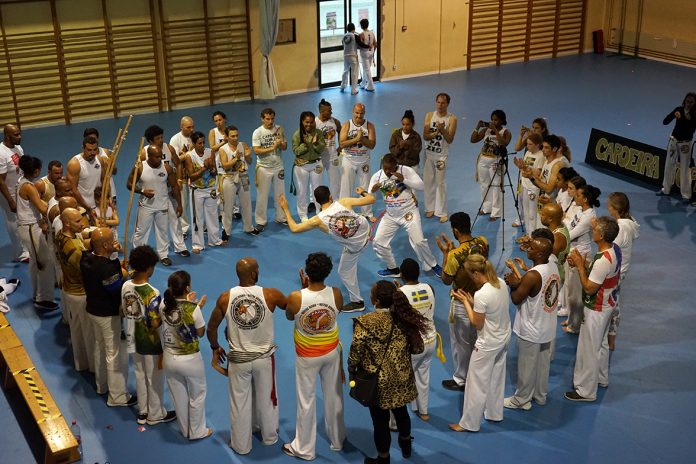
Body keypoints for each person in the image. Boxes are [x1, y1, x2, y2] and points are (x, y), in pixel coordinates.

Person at [206, 257, 287, 455]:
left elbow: (211, 327)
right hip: (263, 360)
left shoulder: (225, 298)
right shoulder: (271, 294)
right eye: (257, 269)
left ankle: (241, 445)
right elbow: (291, 307)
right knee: (267, 399)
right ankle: (269, 437)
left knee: (239, 404)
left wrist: (215, 347)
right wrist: (304, 290)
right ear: (253, 273)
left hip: (238, 361)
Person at [348, 280, 428, 464]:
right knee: (401, 413)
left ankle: (383, 459)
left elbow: (356, 352)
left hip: (378, 384)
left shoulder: (365, 322)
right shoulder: (404, 318)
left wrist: (352, 369)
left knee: (380, 422)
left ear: (375, 301)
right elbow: (418, 348)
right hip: (401, 377)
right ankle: (406, 444)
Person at [281, 252, 345, 460]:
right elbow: (335, 313)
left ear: (307, 273)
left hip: (307, 356)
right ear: (328, 272)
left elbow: (291, 316)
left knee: (306, 400)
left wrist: (302, 291)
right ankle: (338, 440)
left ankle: (304, 449)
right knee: (334, 396)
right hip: (331, 352)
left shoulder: (295, 297)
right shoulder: (336, 293)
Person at [278, 186, 375, 312]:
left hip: (355, 247)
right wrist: (362, 191)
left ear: (317, 202)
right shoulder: (344, 202)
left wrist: (285, 208)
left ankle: (357, 302)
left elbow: (294, 228)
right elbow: (371, 199)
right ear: (330, 196)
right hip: (367, 232)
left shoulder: (317, 220)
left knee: (344, 272)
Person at [448, 254, 511, 432]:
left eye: (470, 275)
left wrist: (465, 303)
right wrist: (472, 301)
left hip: (487, 344)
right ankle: (494, 413)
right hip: (503, 338)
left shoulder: (482, 293)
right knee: (496, 378)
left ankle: (468, 423)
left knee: (475, 384)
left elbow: (477, 322)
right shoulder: (500, 283)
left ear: (476, 273)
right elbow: (492, 309)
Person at [565, 216, 621, 402]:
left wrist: (580, 266)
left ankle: (585, 391)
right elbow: (602, 275)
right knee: (602, 344)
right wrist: (585, 264)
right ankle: (601, 378)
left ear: (602, 235)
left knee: (588, 349)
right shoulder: (615, 251)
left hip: (596, 309)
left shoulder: (602, 260)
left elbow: (589, 287)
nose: (593, 231)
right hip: (608, 305)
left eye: (595, 230)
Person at [503, 234, 560, 410]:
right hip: (548, 326)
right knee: (543, 366)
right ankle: (540, 395)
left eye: (532, 248)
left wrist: (512, 284)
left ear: (541, 254)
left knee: (527, 367)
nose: (529, 249)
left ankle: (521, 400)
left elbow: (516, 299)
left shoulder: (533, 276)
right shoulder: (553, 265)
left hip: (532, 327)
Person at [121, 245, 176, 426]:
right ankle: (156, 413)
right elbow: (154, 322)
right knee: (155, 377)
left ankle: (143, 411)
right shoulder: (153, 293)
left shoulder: (126, 285)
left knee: (139, 373)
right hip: (150, 342)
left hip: (132, 336)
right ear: (150, 268)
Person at [81, 227, 135, 406]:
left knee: (100, 347)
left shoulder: (87, 257)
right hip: (107, 314)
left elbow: (108, 266)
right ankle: (117, 396)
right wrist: (126, 274)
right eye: (112, 240)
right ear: (104, 245)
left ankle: (101, 385)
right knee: (114, 354)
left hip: (93, 309)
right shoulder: (105, 269)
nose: (115, 242)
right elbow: (116, 289)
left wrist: (114, 258)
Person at [435, 212, 489, 391]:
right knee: (477, 339)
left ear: (455, 231)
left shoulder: (455, 255)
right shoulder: (483, 242)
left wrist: (446, 254)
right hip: (481, 298)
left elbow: (446, 280)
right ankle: (478, 374)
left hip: (461, 302)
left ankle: (461, 379)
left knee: (461, 343)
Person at [369, 154, 441, 278]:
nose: (387, 172)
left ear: (396, 166)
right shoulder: (377, 176)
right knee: (379, 242)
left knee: (418, 242)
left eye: (391, 169)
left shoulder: (406, 170)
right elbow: (370, 194)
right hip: (390, 215)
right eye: (385, 168)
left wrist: (404, 180)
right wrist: (373, 190)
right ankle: (393, 269)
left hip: (409, 212)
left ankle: (434, 265)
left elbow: (422, 186)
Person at [160, 270, 212, 439]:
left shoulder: (163, 305)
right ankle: (197, 431)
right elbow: (200, 332)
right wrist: (199, 309)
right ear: (188, 288)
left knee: (178, 396)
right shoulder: (193, 309)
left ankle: (185, 429)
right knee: (197, 394)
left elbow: (177, 313)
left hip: (169, 357)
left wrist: (194, 308)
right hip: (190, 360)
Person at [129, 145, 182, 267]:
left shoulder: (167, 168)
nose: (160, 159)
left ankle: (163, 255)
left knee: (163, 232)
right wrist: (142, 191)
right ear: (149, 156)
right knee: (141, 232)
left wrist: (179, 205)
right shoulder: (140, 167)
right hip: (146, 206)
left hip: (162, 206)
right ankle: (138, 256)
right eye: (157, 157)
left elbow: (174, 187)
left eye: (160, 156)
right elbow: (129, 184)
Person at [141, 126, 190, 259]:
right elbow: (139, 172)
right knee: (159, 225)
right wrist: (144, 190)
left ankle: (180, 246)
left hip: (170, 189)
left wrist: (179, 179)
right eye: (158, 138)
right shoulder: (144, 152)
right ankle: (162, 254)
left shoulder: (169, 148)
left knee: (176, 218)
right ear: (151, 140)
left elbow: (178, 163)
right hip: (155, 194)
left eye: (162, 137)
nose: (161, 140)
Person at [397, 258, 437, 421]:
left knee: (400, 380)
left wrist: (398, 293)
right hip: (431, 340)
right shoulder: (430, 288)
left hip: (413, 345)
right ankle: (424, 411)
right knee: (423, 376)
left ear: (401, 275)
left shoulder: (400, 294)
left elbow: (399, 316)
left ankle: (395, 420)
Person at [16, 156, 57, 311]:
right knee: (44, 262)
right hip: (30, 228)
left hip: (27, 226)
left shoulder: (21, 181)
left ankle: (36, 293)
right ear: (36, 170)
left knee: (34, 262)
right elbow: (42, 207)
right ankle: (43, 299)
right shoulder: (29, 187)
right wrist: (54, 204)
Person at [56, 208, 95, 372]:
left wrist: (92, 240)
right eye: (78, 221)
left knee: (76, 328)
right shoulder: (73, 248)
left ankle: (81, 363)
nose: (83, 224)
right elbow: (88, 270)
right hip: (80, 292)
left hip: (69, 288)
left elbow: (81, 241)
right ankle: (92, 366)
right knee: (88, 332)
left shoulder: (62, 235)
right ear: (67, 223)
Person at [605, 192, 639, 354]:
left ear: (615, 208)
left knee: (611, 305)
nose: (607, 207)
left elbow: (608, 246)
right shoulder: (630, 223)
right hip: (621, 271)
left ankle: (608, 338)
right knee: (614, 303)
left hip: (615, 272)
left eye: (609, 205)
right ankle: (611, 338)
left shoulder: (621, 227)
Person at [563, 184, 600, 334]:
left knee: (576, 294)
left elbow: (569, 234)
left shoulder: (589, 217)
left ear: (585, 199)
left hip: (580, 257)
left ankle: (575, 326)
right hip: (572, 253)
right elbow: (567, 224)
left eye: (578, 195)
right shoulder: (580, 210)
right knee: (570, 289)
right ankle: (572, 318)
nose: (575, 197)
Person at [184, 131, 223, 253]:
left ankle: (215, 240)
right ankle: (197, 244)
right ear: (194, 144)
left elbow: (215, 172)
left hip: (210, 189)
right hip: (197, 191)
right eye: (199, 143)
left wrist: (211, 167)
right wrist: (205, 168)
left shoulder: (209, 152)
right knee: (197, 218)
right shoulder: (189, 156)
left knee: (212, 215)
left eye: (203, 142)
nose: (202, 145)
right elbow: (192, 177)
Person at [471, 109, 512, 221]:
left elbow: (504, 144)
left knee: (496, 185)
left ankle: (496, 212)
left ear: (502, 121)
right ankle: (486, 208)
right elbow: (473, 140)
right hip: (483, 159)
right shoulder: (486, 130)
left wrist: (495, 131)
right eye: (492, 120)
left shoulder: (506, 132)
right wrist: (477, 127)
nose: (493, 122)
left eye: (496, 120)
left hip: (496, 161)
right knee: (484, 184)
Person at [423, 93, 458, 222]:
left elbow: (450, 139)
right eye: (438, 102)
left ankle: (442, 211)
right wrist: (437, 131)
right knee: (428, 182)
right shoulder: (429, 116)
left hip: (441, 156)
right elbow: (425, 136)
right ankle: (430, 208)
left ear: (447, 104)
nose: (440, 105)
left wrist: (443, 130)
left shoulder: (452, 119)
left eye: (443, 103)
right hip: (429, 154)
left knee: (440, 183)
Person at [252, 108, 287, 232]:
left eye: (272, 118)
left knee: (280, 194)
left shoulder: (279, 129)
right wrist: (273, 147)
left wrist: (280, 143)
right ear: (262, 119)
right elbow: (256, 150)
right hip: (263, 168)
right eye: (267, 119)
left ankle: (281, 217)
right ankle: (261, 221)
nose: (270, 121)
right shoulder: (257, 132)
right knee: (262, 195)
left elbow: (285, 147)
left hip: (278, 166)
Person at [339, 103, 376, 219]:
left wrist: (362, 139)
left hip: (364, 161)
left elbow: (372, 145)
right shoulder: (346, 125)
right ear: (353, 112)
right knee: (346, 187)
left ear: (364, 113)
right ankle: (344, 212)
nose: (359, 115)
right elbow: (341, 144)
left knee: (365, 187)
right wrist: (356, 139)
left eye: (361, 113)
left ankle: (367, 213)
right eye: (357, 113)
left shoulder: (369, 126)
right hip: (349, 160)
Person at [657, 92, 696, 203]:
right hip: (673, 142)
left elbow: (691, 130)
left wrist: (688, 119)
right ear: (684, 101)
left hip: (685, 144)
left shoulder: (695, 115)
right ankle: (666, 189)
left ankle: (686, 195)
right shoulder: (678, 109)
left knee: (685, 169)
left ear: (695, 103)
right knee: (669, 166)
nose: (689, 104)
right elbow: (665, 122)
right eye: (687, 101)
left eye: (691, 102)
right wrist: (674, 115)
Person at [218, 125, 255, 238]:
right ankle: (226, 231)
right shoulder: (223, 149)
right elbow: (225, 166)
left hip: (243, 176)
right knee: (228, 206)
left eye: (237, 135)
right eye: (232, 136)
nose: (235, 138)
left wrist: (248, 156)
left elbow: (249, 161)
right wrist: (236, 159)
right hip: (229, 179)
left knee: (247, 204)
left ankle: (249, 228)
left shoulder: (242, 145)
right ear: (227, 137)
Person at [0, 123, 29, 262]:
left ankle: (27, 247)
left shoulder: (17, 147)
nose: (19, 136)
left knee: (22, 219)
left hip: (19, 190)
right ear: (7, 136)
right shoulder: (1, 153)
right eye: (16, 134)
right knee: (13, 222)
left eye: (19, 133)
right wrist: (10, 200)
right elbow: (0, 180)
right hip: (7, 192)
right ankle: (20, 253)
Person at [292, 111, 326, 222]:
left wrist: (316, 143)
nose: (309, 125)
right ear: (302, 122)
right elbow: (296, 151)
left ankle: (319, 212)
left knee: (318, 190)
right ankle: (303, 215)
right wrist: (306, 144)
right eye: (307, 122)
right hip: (302, 166)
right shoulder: (297, 134)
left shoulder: (319, 133)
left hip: (316, 164)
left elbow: (322, 149)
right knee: (302, 191)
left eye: (311, 122)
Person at [67, 135, 109, 224]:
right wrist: (88, 208)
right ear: (83, 148)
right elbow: (72, 190)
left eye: (95, 149)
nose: (92, 153)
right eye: (89, 150)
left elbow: (104, 181)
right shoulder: (75, 164)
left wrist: (108, 198)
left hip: (98, 206)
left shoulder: (99, 160)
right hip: (82, 207)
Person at [512, 132, 545, 233]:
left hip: (533, 187)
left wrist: (524, 167)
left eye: (530, 144)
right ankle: (528, 233)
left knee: (532, 213)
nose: (527, 146)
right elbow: (524, 169)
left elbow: (538, 173)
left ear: (538, 145)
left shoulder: (541, 156)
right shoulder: (527, 153)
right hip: (524, 185)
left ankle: (533, 234)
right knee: (525, 211)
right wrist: (519, 165)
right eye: (527, 144)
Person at [169, 116, 195, 236]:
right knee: (183, 203)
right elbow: (174, 159)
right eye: (189, 127)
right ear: (182, 127)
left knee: (196, 202)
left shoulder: (194, 138)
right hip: (182, 176)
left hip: (194, 175)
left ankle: (198, 225)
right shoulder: (175, 140)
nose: (191, 129)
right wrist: (187, 154)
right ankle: (184, 228)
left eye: (193, 127)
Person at [532, 135, 569, 208]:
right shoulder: (546, 161)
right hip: (543, 199)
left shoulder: (556, 166)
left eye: (546, 147)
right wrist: (530, 175)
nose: (543, 150)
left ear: (554, 149)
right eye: (543, 146)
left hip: (552, 205)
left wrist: (531, 177)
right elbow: (541, 182)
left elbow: (549, 189)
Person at [82, 128, 117, 205]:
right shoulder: (82, 159)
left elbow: (114, 171)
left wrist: (108, 163)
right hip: (93, 196)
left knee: (112, 216)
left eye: (94, 138)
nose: (92, 140)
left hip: (109, 193)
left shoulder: (106, 152)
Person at [316, 99, 342, 198]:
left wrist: (340, 147)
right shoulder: (314, 123)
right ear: (322, 112)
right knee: (316, 181)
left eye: (331, 110)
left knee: (335, 181)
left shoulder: (335, 121)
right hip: (319, 157)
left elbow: (341, 131)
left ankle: (335, 201)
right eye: (329, 110)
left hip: (332, 156)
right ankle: (314, 202)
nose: (331, 112)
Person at [358, 18, 377, 92]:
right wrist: (373, 52)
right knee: (366, 68)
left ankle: (371, 86)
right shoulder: (372, 33)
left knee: (367, 69)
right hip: (371, 53)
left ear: (362, 26)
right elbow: (375, 43)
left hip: (364, 54)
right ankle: (363, 83)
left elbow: (361, 45)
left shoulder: (361, 34)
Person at [341, 23, 360, 95]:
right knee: (354, 73)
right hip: (353, 56)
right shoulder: (355, 36)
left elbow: (343, 44)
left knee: (345, 71)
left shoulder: (344, 36)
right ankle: (354, 90)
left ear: (347, 29)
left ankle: (343, 86)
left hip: (346, 56)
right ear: (353, 29)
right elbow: (359, 44)